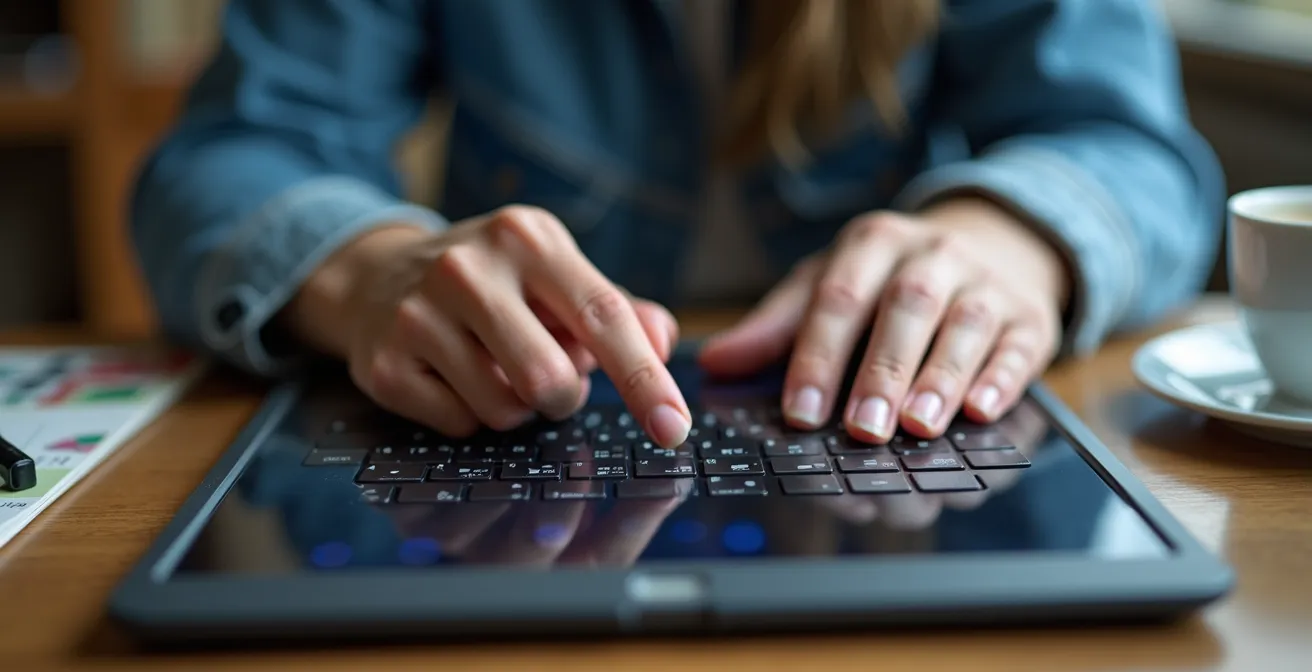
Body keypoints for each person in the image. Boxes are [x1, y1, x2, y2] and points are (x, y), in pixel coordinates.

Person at [130, 0, 1224, 450]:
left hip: (890, 429)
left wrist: (1008, 238)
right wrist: (366, 271)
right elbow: (224, 157)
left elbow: (1128, 146)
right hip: (510, 420)